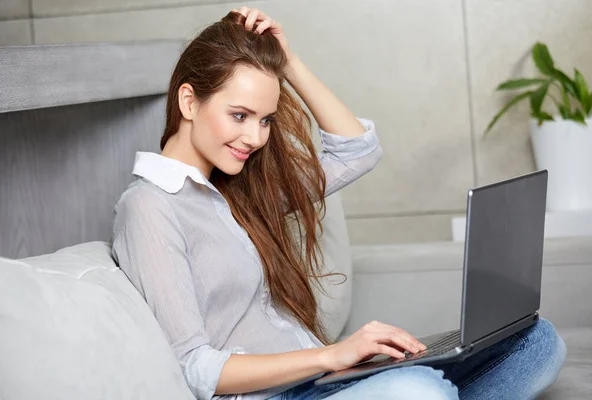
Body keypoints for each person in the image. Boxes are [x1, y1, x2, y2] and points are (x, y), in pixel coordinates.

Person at [111, 6, 566, 400]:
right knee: (422, 391)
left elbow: (358, 150)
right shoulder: (149, 207)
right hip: (281, 392)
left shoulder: (241, 191)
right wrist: (332, 353)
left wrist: (287, 61)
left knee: (537, 343)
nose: (254, 137)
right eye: (239, 115)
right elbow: (197, 368)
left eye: (265, 119)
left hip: (326, 380)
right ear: (188, 101)